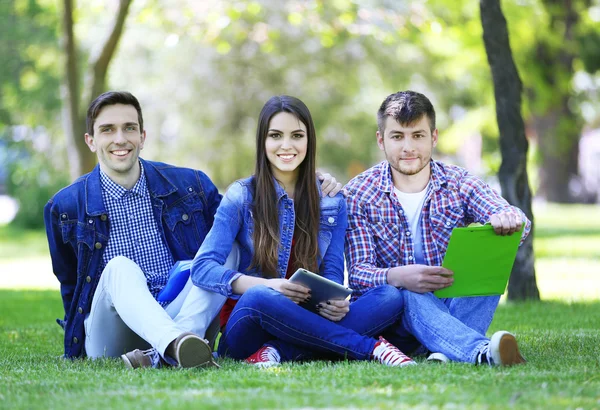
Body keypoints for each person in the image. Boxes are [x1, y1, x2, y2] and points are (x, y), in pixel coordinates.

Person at [44, 91, 342, 369]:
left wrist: (305, 180)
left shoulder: (190, 185)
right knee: (120, 268)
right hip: (113, 331)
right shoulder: (66, 206)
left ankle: (175, 346)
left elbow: (253, 212)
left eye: (129, 128)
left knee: (229, 249)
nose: (120, 138)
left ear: (143, 136)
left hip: (179, 312)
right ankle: (175, 344)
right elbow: (70, 285)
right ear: (90, 140)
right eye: (107, 129)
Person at [191, 95, 415, 368]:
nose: (286, 145)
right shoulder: (241, 196)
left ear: (309, 141)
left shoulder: (332, 200)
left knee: (389, 297)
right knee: (262, 297)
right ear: (263, 142)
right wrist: (268, 285)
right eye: (276, 136)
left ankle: (276, 351)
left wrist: (335, 303)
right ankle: (371, 348)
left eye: (296, 135)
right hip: (250, 322)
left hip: (308, 320)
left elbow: (332, 273)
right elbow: (202, 268)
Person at [344, 90, 532, 366]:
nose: (408, 147)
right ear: (381, 140)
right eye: (397, 136)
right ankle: (479, 352)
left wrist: (507, 218)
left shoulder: (458, 181)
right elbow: (359, 274)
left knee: (486, 262)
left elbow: (514, 218)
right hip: (398, 318)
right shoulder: (358, 193)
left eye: (418, 135)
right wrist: (400, 275)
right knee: (406, 291)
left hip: (451, 303)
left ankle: (443, 352)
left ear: (433, 137)